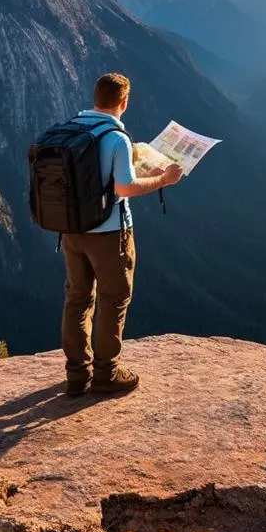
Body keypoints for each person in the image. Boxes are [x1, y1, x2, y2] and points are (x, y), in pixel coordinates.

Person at [61, 72, 182, 395]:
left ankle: (76, 374)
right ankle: (106, 374)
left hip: (71, 230)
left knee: (77, 298)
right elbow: (124, 187)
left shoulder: (74, 127)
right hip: (109, 233)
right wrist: (163, 180)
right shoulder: (116, 138)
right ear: (124, 103)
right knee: (113, 299)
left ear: (95, 97)